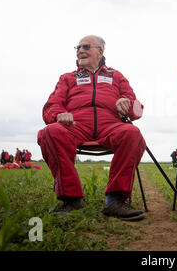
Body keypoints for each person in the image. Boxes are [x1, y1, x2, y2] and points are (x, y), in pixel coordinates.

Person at [37, 35, 146, 221]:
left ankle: (115, 200)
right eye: (77, 47)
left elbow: (138, 110)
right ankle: (72, 200)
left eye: (86, 46)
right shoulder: (67, 78)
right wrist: (59, 115)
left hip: (111, 125)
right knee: (50, 132)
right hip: (76, 125)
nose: (80, 50)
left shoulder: (116, 76)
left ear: (100, 51)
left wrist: (127, 103)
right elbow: (51, 105)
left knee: (132, 133)